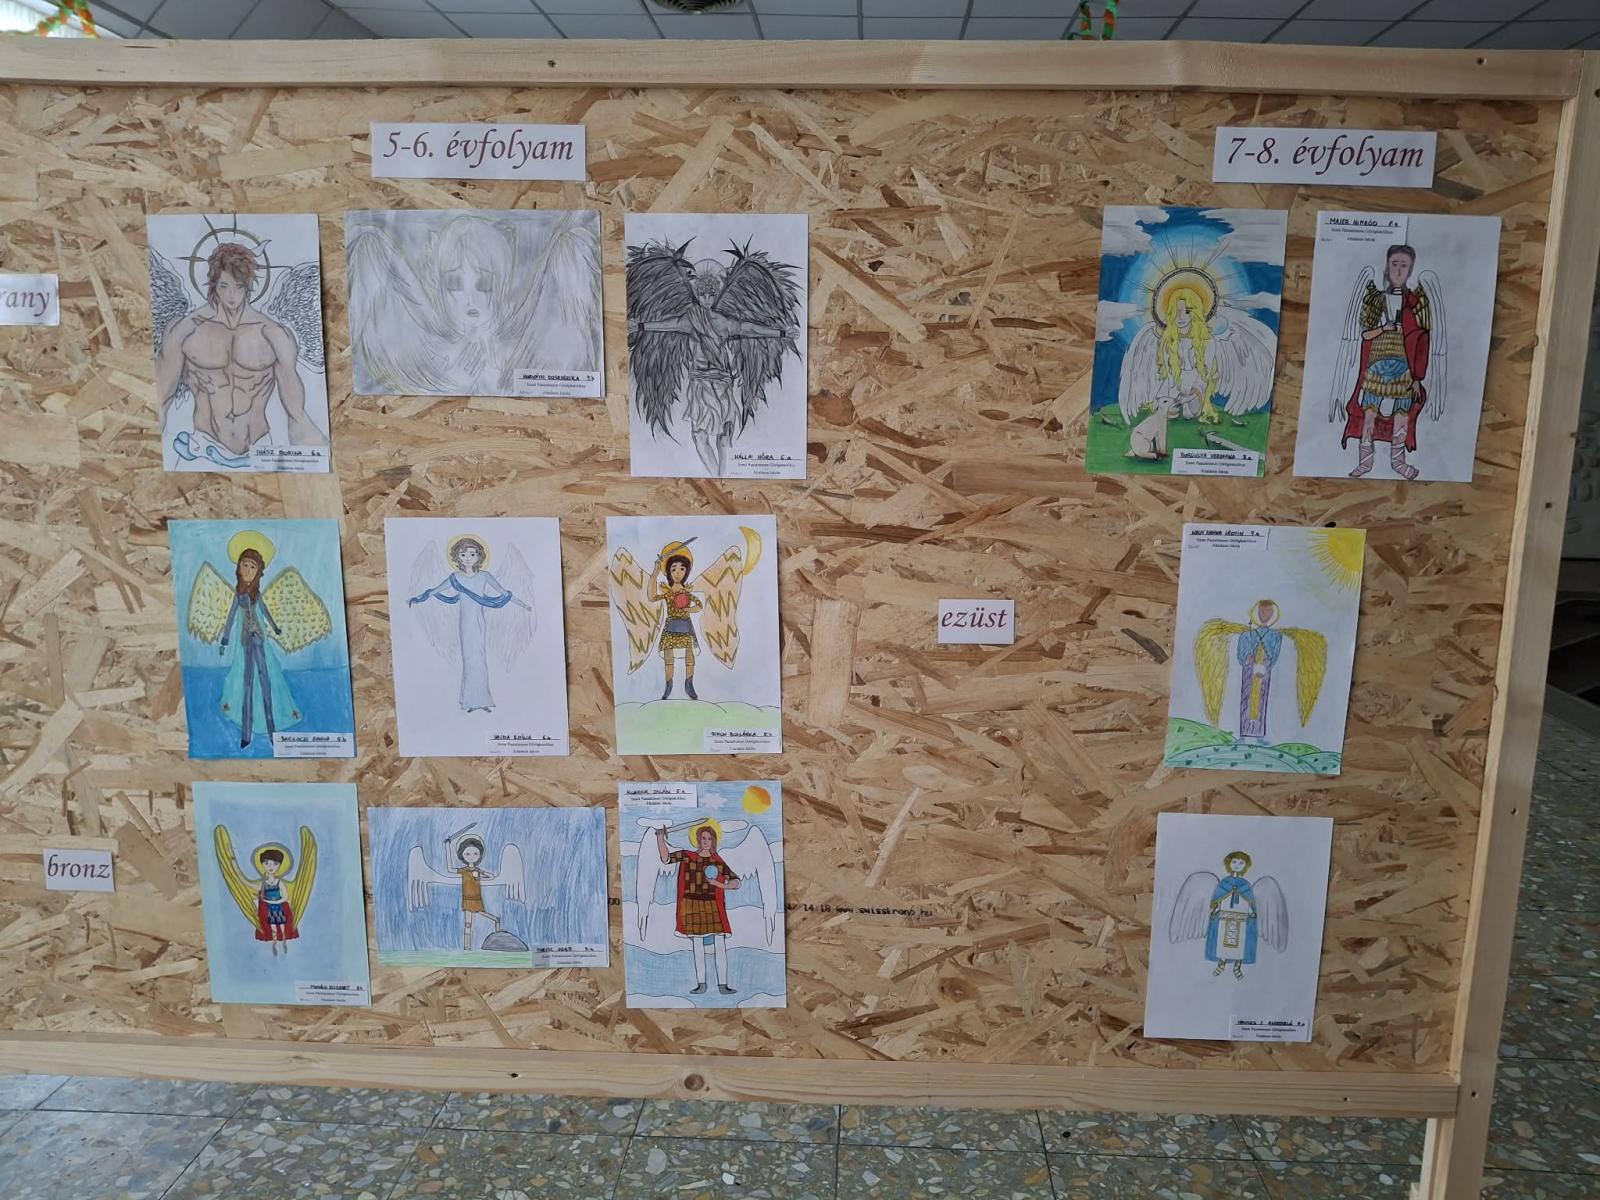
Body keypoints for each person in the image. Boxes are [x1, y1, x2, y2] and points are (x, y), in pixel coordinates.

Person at [156, 241, 326, 461]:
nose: (231, 296)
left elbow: (297, 415)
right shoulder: (184, 331)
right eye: (224, 286)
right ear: (213, 284)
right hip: (201, 450)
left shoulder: (273, 334)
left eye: (238, 287)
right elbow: (161, 400)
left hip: (258, 452)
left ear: (248, 285)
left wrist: (321, 459)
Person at [630, 259, 799, 475]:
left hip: (719, 383)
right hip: (702, 383)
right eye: (703, 295)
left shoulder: (723, 322)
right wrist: (641, 326)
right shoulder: (692, 320)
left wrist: (782, 333)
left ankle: (721, 477)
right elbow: (667, 325)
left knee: (721, 434)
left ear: (716, 295)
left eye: (710, 295)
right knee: (703, 436)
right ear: (697, 294)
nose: (707, 299)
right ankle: (718, 477)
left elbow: (749, 329)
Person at [409, 536, 530, 712]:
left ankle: (482, 700)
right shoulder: (455, 577)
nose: (467, 558)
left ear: (479, 556)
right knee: (469, 660)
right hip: (465, 624)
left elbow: (504, 593)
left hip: (479, 623)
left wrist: (524, 605)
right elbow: (434, 591)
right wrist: (415, 599)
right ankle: (469, 701)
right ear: (457, 557)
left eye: (472, 554)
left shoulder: (485, 576)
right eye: (463, 554)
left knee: (479, 659)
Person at [1342, 243, 1430, 480]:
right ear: (1387, 266)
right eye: (1395, 264)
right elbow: (1365, 335)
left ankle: (1398, 463)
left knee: (1402, 415)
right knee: (1369, 414)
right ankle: (1365, 463)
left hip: (1404, 369)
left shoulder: (1415, 302)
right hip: (1377, 366)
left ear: (1410, 269)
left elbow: (1422, 342)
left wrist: (1417, 378)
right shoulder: (1376, 300)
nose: (1399, 271)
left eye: (1404, 266)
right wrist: (1384, 328)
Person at [657, 822, 741, 995]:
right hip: (691, 904)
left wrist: (718, 884)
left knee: (720, 943)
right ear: (698, 840)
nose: (706, 841)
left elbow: (736, 882)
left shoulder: (717, 861)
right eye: (703, 838)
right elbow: (666, 859)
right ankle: (701, 984)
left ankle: (723, 985)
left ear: (713, 841)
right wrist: (660, 839)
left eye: (709, 838)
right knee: (697, 945)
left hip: (712, 905)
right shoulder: (688, 856)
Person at [219, 547, 289, 748]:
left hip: (259, 640)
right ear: (239, 568)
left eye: (253, 567)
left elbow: (265, 612)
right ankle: (246, 734)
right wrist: (225, 639)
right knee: (247, 686)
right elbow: (230, 618)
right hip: (245, 642)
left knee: (265, 683)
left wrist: (275, 628)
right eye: (245, 565)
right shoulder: (238, 594)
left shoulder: (257, 594)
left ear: (258, 572)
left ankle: (272, 732)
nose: (248, 570)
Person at [649, 540, 704, 700]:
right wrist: (654, 573)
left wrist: (688, 610)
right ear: (668, 572)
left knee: (689, 657)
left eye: (682, 568)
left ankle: (689, 684)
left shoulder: (686, 592)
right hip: (671, 626)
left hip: (685, 626)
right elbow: (651, 597)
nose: (678, 572)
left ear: (686, 571)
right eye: (674, 568)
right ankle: (669, 685)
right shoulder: (667, 593)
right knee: (668, 658)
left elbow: (699, 605)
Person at [1205, 851, 1259, 979]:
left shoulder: (1246, 885)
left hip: (1241, 918)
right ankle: (1221, 964)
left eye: (1241, 862)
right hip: (1224, 917)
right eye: (1234, 861)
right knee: (1222, 942)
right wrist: (1216, 908)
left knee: (1240, 944)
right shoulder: (1224, 884)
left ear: (1245, 865)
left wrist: (1251, 911)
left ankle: (1237, 967)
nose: (1237, 865)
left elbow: (1250, 901)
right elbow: (1217, 899)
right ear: (1229, 863)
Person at [449, 833, 505, 952]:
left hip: (476, 899)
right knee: (467, 924)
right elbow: (449, 869)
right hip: (467, 899)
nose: (471, 857)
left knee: (484, 915)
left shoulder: (478, 870)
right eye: (467, 854)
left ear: (479, 856)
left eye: (475, 854)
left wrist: (479, 875)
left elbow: (491, 877)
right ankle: (467, 948)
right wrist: (446, 848)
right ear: (462, 855)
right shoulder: (463, 870)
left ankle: (497, 924)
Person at [254, 847, 298, 956]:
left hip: (279, 909)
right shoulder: (263, 883)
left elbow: (285, 897)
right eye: (266, 863)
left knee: (282, 928)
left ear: (279, 865)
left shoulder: (279, 882)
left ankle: (284, 942)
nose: (270, 867)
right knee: (273, 928)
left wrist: (273, 902)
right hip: (270, 910)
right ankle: (274, 945)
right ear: (262, 865)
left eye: (275, 864)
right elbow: (252, 886)